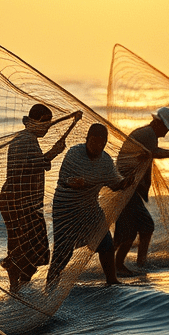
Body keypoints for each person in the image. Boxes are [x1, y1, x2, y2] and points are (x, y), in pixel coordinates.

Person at [48, 123, 130, 288]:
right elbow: (65, 179)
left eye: (101, 143)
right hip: (66, 208)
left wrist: (125, 182)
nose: (97, 146)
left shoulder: (105, 160)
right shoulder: (74, 154)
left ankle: (111, 280)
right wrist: (74, 182)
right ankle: (50, 286)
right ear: (87, 139)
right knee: (63, 250)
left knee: (106, 244)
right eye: (94, 142)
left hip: (89, 208)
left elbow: (114, 183)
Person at [0, 103, 68, 293]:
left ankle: (21, 286)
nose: (47, 126)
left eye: (49, 122)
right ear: (32, 122)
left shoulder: (29, 139)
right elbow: (31, 166)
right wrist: (54, 151)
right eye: (43, 121)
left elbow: (34, 164)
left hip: (28, 203)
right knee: (19, 246)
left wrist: (53, 152)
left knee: (35, 248)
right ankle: (15, 289)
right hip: (16, 201)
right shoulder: (23, 140)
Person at [112, 107, 169, 276]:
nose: (167, 133)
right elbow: (154, 153)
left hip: (128, 188)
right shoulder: (148, 134)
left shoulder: (147, 133)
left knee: (128, 229)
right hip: (126, 188)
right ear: (158, 123)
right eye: (167, 128)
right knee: (145, 225)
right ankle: (130, 264)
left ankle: (121, 264)